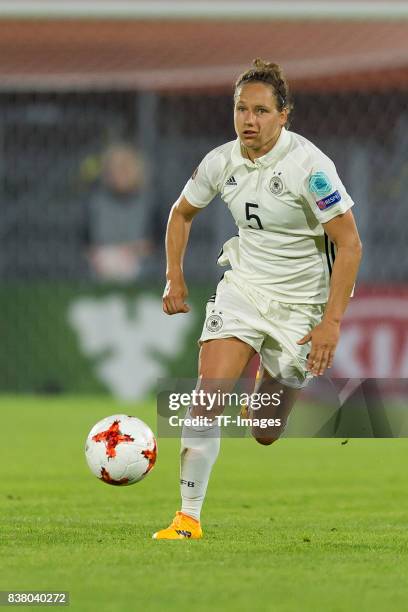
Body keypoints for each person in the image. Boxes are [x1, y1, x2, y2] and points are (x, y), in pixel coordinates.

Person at [153, 59, 362, 540]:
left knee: (264, 430)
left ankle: (270, 374)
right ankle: (187, 518)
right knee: (206, 399)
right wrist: (174, 278)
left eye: (262, 111)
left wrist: (331, 323)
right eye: (241, 109)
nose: (249, 120)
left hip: (301, 305)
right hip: (243, 289)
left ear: (284, 114)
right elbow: (181, 213)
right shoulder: (220, 162)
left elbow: (350, 245)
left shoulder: (311, 168)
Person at [85, 144, 153, 282]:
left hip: (139, 263)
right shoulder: (95, 201)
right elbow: (86, 242)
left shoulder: (150, 202)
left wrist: (136, 250)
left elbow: (158, 243)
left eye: (124, 168)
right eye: (114, 169)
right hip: (102, 261)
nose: (118, 175)